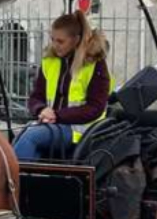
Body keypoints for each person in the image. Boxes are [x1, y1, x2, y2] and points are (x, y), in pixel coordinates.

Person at [15, 11, 111, 161]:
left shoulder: (95, 64)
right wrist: (41, 109)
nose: (55, 45)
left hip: (81, 129)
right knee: (20, 136)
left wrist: (57, 115)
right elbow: (35, 97)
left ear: (76, 40)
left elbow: (95, 108)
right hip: (52, 124)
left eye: (60, 41)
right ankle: (26, 175)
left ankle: (16, 176)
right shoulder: (49, 61)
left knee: (31, 137)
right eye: (52, 39)